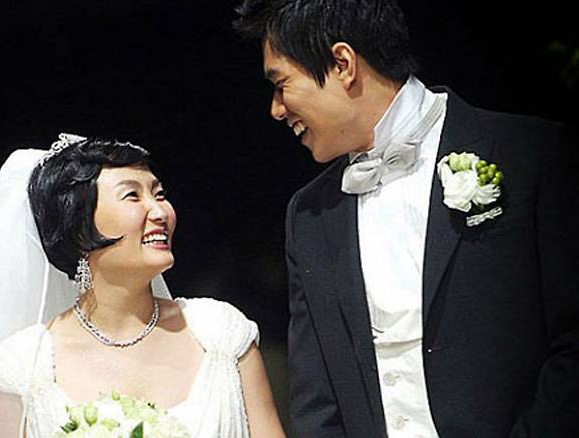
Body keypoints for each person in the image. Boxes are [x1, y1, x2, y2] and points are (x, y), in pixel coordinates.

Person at [234, 1, 578, 437]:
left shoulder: (531, 155)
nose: (277, 109)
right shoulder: (310, 215)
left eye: (281, 85)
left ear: (343, 64)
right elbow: (317, 399)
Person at [0, 134, 286, 437]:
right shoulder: (21, 368)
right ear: (79, 228)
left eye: (159, 194)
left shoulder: (219, 334)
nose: (159, 212)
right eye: (132, 196)